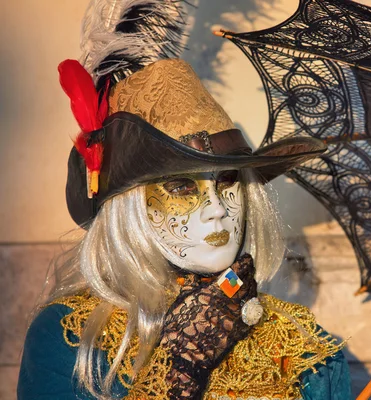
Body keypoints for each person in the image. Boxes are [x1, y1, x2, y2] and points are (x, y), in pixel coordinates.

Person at [17, 41, 351, 400]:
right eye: (181, 187)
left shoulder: (304, 348)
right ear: (130, 211)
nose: (217, 209)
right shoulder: (72, 338)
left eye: (227, 181)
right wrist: (182, 368)